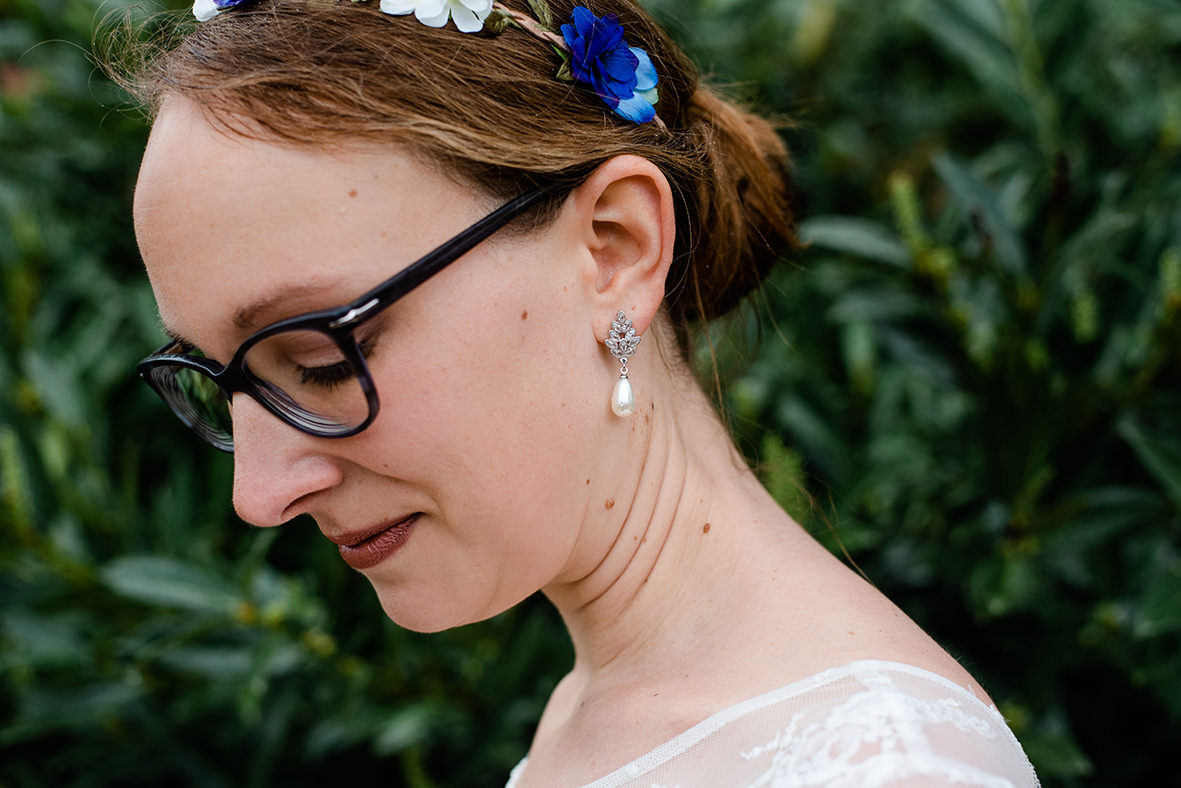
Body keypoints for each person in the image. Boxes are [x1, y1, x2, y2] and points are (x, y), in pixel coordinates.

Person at [125, 1, 1041, 785]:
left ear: (615, 244)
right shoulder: (597, 710)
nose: (260, 495)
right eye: (216, 381)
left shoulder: (885, 768)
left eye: (324, 355)